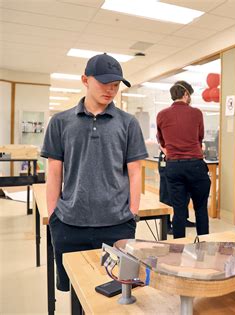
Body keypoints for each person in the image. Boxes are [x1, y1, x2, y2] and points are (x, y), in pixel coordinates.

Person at [41, 53, 148, 291]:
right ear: (85, 80)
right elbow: (54, 172)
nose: (110, 90)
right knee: (77, 294)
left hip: (117, 225)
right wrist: (53, 217)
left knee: (117, 293)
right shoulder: (60, 122)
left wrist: (133, 213)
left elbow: (135, 173)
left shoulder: (128, 123)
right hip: (69, 224)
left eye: (116, 85)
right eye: (103, 83)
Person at [156, 81, 210, 239]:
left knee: (178, 210)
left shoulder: (161, 114)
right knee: (200, 208)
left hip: (173, 167)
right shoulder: (196, 113)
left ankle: (178, 249)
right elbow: (200, 137)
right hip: (195, 165)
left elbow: (162, 141)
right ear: (186, 94)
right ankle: (204, 245)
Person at [157, 149, 194, 236]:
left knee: (185, 191)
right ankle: (165, 224)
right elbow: (161, 144)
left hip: (182, 159)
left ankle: (183, 219)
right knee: (166, 192)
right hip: (167, 158)